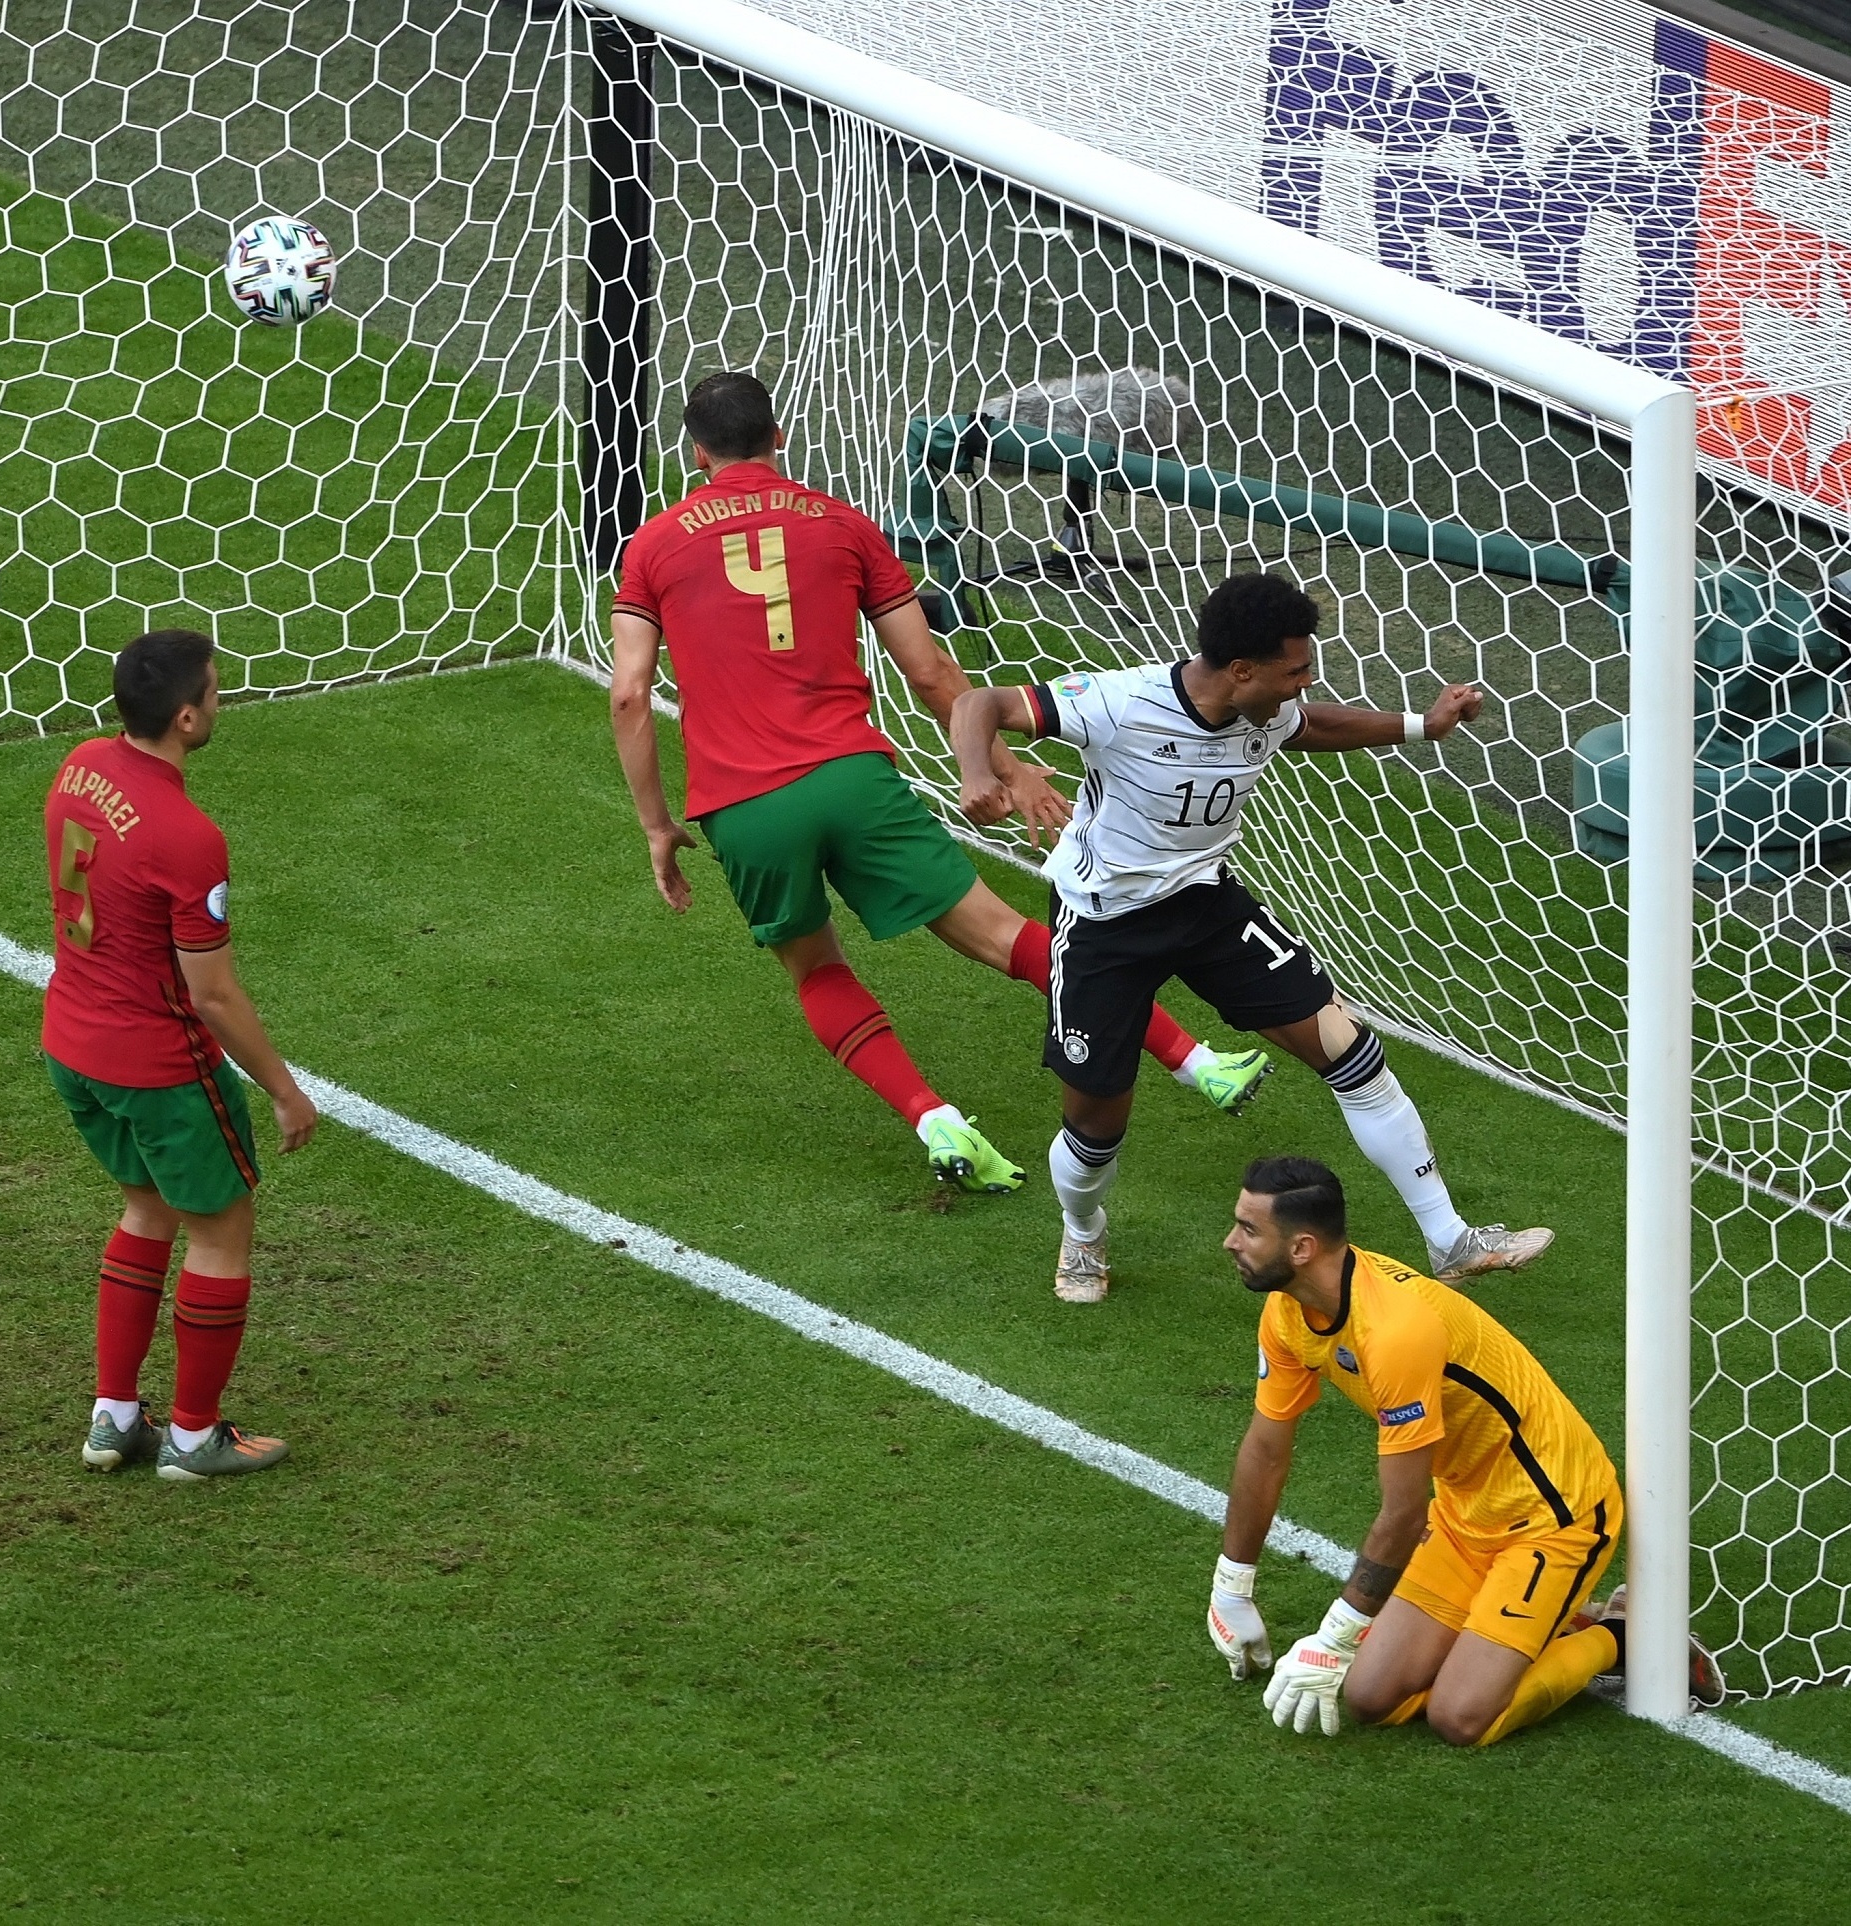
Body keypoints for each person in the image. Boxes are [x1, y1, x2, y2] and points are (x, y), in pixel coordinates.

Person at [609, 371, 1270, 1194]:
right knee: (1008, 934)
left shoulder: (653, 545)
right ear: (779, 436)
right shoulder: (844, 525)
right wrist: (1006, 763)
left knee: (816, 970)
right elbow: (927, 672)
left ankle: (936, 1119)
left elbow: (631, 692)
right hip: (854, 780)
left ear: (696, 450)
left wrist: (656, 825)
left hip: (747, 806)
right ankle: (1198, 1060)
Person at [950, 569, 1550, 1301]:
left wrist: (1424, 725)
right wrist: (976, 771)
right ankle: (1083, 1230)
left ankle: (1451, 1241)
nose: (1303, 683)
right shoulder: (1119, 702)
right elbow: (983, 702)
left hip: (1206, 906)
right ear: (1242, 669)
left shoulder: (1267, 709)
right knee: (1096, 1121)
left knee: (1349, 1051)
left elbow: (1318, 725)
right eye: (1295, 669)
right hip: (1104, 922)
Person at [1207, 1156, 1723, 1744]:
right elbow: (1265, 1452)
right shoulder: (1287, 1311)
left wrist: (1334, 1638)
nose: (1230, 1242)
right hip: (1465, 1513)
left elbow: (1402, 1514)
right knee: (1372, 1698)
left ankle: (1627, 1636)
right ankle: (1527, 1628)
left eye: (1248, 1229)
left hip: (1554, 1514)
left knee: (1461, 1717)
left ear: (1301, 1248)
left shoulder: (1396, 1333)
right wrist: (1232, 1584)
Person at [44, 629, 317, 1481]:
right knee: (221, 1228)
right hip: (157, 1065)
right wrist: (284, 1090)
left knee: (145, 1210)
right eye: (217, 691)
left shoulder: (79, 764)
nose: (222, 701)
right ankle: (194, 1437)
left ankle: (115, 1417)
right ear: (188, 717)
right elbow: (213, 995)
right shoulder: (187, 836)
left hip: (73, 1044)